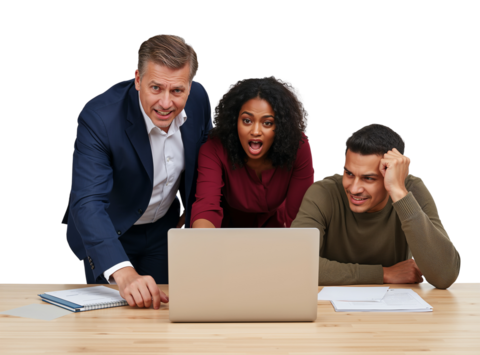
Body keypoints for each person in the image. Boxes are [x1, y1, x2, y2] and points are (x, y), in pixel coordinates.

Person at [62, 34, 212, 309]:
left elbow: (206, 165)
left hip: (164, 231)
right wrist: (125, 273)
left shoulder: (200, 99)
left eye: (177, 90)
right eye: (156, 88)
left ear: (190, 85)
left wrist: (188, 222)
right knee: (113, 324)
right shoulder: (100, 118)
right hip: (111, 232)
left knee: (165, 311)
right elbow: (87, 203)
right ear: (138, 79)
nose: (166, 103)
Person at [291, 123, 462, 289]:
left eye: (369, 178)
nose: (354, 188)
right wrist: (383, 274)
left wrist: (398, 192)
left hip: (397, 309)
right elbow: (295, 264)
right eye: (349, 173)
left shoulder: (411, 191)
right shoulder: (324, 193)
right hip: (329, 309)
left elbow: (445, 275)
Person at [190, 76, 315, 228]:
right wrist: (202, 245)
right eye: (247, 121)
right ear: (234, 121)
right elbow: (206, 208)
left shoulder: (299, 148)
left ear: (281, 127)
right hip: (227, 232)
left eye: (267, 123)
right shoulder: (213, 149)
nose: (255, 131)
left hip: (278, 231)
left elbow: (300, 216)